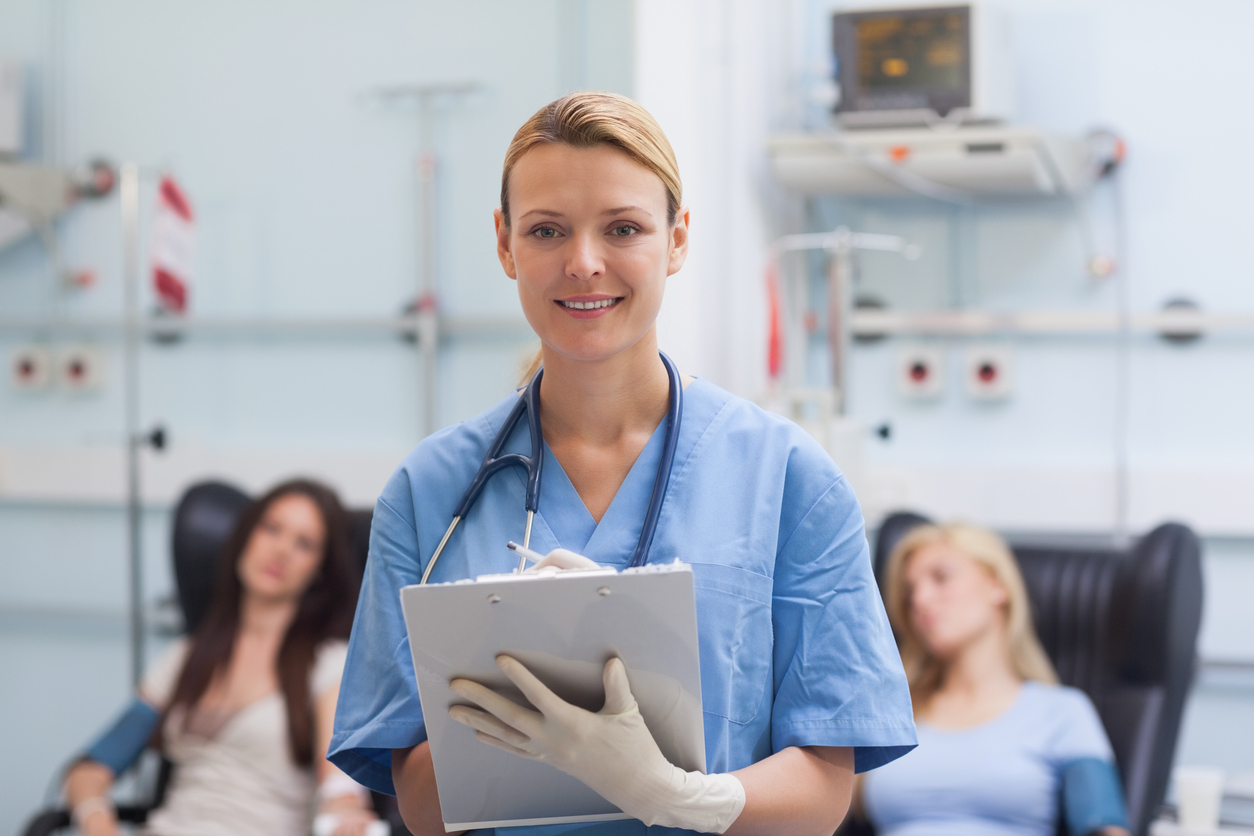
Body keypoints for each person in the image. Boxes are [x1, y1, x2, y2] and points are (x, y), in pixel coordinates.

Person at [328, 91, 917, 836]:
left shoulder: (788, 479)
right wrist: (524, 719)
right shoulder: (430, 490)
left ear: (676, 240)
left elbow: (826, 790)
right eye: (546, 230)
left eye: (624, 228)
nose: (583, 263)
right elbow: (413, 799)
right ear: (506, 244)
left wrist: (674, 795)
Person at [63, 479, 381, 836]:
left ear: (319, 569)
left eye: (304, 543)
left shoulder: (328, 667)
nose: (281, 551)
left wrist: (345, 816)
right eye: (272, 529)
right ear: (246, 536)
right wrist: (98, 821)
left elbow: (340, 790)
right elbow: (90, 768)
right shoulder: (186, 658)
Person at [857, 522, 1131, 836]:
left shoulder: (1062, 712)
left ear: (997, 586)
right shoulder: (891, 714)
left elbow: (1105, 827)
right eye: (910, 593)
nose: (920, 600)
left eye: (941, 578)